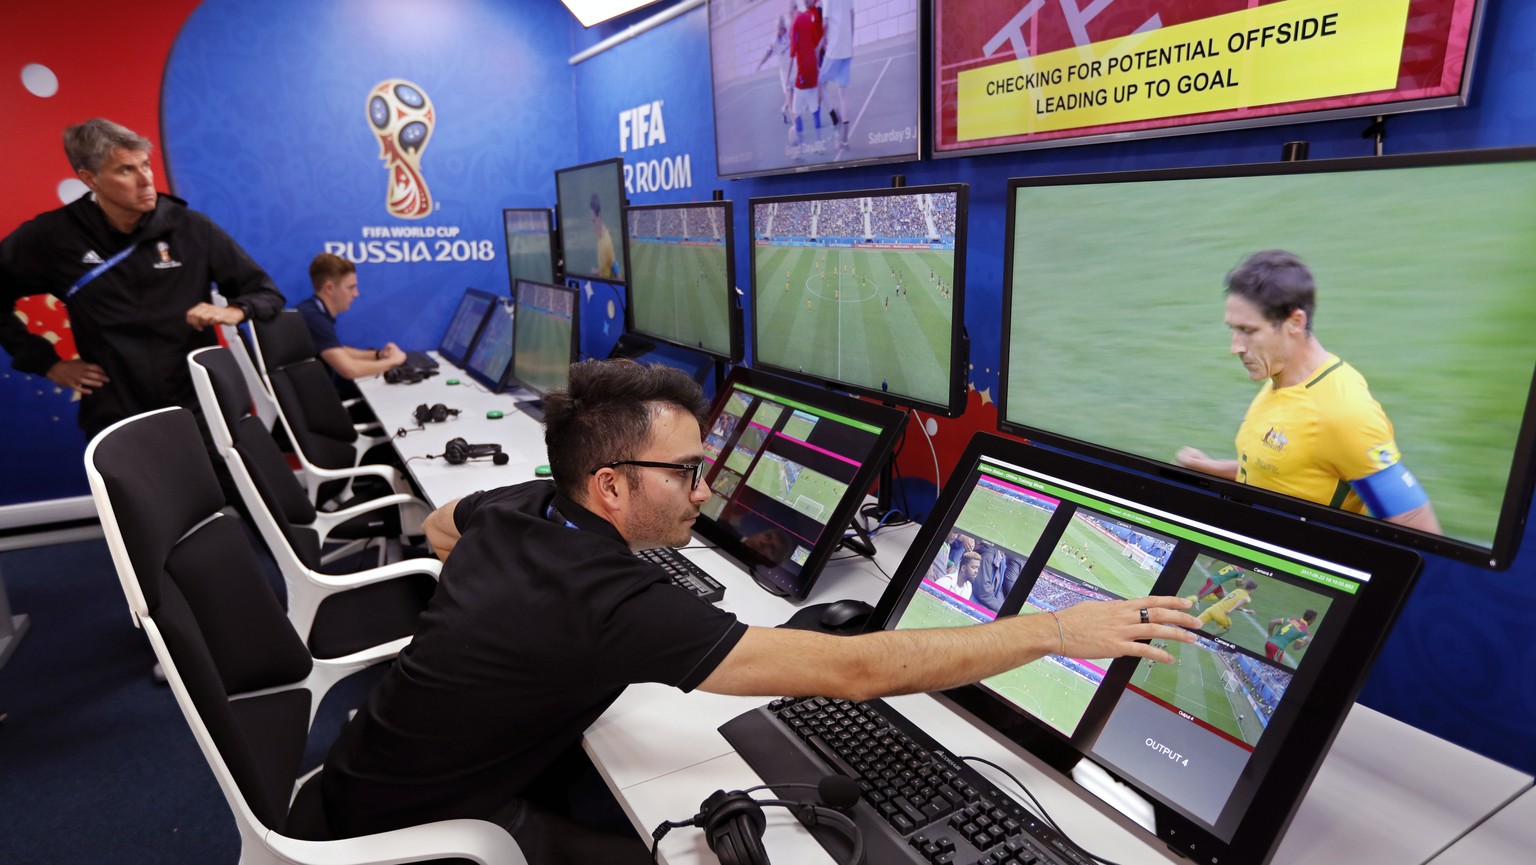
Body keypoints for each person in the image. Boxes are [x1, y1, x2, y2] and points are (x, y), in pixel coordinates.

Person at [321, 359, 1200, 863]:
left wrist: (511, 627)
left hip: (359, 771)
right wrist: (1058, 629)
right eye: (687, 472)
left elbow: (442, 525)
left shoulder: (524, 504)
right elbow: (853, 671)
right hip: (413, 843)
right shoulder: (614, 600)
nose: (707, 487)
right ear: (612, 484)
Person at [0, 118, 284, 441]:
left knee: (224, 491)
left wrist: (235, 311)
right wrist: (47, 363)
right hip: (117, 411)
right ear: (89, 179)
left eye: (146, 165)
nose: (146, 180)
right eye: (126, 170)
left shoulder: (190, 228)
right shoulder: (53, 237)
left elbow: (265, 293)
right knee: (138, 493)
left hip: (200, 406)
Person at [1175, 250, 1441, 534]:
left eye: (1248, 330)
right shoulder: (1280, 379)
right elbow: (1288, 474)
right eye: (1233, 329)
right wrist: (1213, 469)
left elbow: (1421, 532)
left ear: (1295, 322)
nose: (1235, 347)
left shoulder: (1344, 413)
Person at [296, 253, 406, 398]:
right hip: (318, 405)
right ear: (329, 288)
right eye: (351, 287)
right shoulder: (314, 317)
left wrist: (378, 355)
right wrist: (394, 361)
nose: (356, 294)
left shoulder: (312, 310)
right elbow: (350, 370)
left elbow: (338, 350)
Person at [787, 0, 824, 153]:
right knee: (815, 111)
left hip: (802, 76)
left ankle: (800, 148)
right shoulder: (808, 17)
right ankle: (819, 145)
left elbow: (792, 54)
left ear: (791, 12)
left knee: (796, 113)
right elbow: (817, 43)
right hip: (813, 72)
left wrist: (788, 78)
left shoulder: (794, 25)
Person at [818, 0, 855, 149]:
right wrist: (850, 43)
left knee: (820, 83)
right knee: (843, 93)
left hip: (834, 49)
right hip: (846, 49)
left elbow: (825, 23)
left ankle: (835, 117)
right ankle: (845, 139)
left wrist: (822, 43)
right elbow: (852, 15)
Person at [589, 193, 617, 279]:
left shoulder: (606, 243)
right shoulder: (600, 237)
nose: (593, 227)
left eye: (594, 221)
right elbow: (606, 265)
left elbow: (614, 265)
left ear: (599, 217)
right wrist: (597, 271)